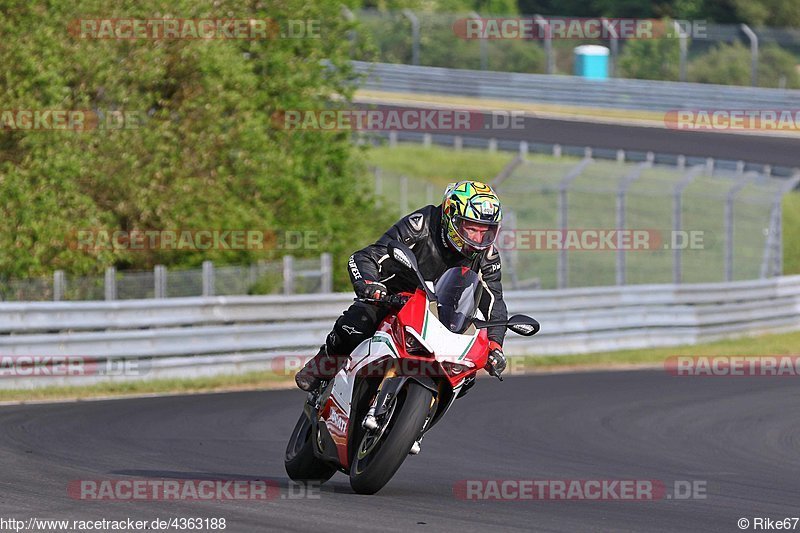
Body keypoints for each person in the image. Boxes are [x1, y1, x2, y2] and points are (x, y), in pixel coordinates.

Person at [294, 179, 508, 392]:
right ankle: (324, 363)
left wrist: (496, 346)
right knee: (358, 323)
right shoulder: (420, 225)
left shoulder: (487, 255)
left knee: (467, 374)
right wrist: (370, 284)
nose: (478, 239)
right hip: (394, 297)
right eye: (471, 229)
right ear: (450, 217)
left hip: (444, 313)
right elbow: (367, 256)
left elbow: (495, 302)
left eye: (486, 232)